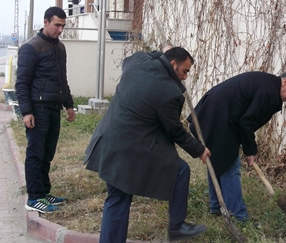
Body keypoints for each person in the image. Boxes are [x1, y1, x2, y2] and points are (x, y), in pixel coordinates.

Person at [83, 47, 211, 243]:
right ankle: (176, 226)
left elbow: (134, 59)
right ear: (173, 64)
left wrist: (160, 52)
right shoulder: (169, 92)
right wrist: (199, 150)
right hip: (129, 150)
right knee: (180, 171)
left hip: (109, 139)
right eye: (185, 71)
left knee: (117, 198)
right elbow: (174, 130)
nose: (185, 77)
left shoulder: (137, 62)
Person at [189, 71, 286, 222]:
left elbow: (244, 118)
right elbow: (246, 123)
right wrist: (250, 151)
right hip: (218, 117)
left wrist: (247, 147)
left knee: (217, 159)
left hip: (212, 113)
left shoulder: (267, 84)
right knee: (230, 165)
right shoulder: (269, 92)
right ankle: (239, 217)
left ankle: (216, 207)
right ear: (285, 82)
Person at [16, 6, 76, 214]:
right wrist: (26, 112)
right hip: (38, 109)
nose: (60, 29)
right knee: (36, 153)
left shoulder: (60, 48)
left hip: (54, 108)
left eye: (63, 26)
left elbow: (62, 78)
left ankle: (44, 191)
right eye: (57, 25)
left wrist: (69, 104)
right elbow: (22, 83)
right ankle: (34, 198)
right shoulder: (31, 48)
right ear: (46, 22)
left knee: (47, 154)